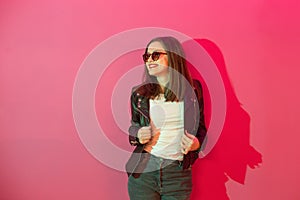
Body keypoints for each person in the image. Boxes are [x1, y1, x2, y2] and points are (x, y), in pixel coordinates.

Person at [126, 36, 207, 200]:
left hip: (177, 174)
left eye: (155, 55)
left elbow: (201, 130)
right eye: (146, 56)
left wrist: (195, 144)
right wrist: (138, 134)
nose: (149, 60)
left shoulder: (193, 90)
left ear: (173, 56)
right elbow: (133, 128)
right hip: (144, 172)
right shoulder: (139, 94)